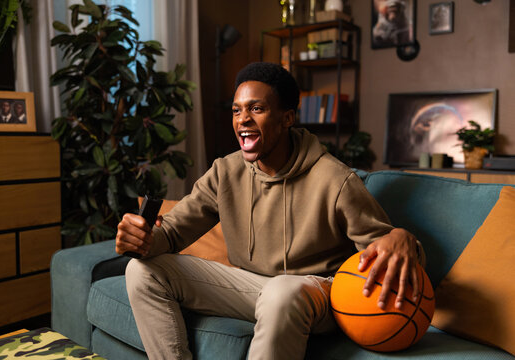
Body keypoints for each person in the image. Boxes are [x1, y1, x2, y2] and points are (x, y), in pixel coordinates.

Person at [117, 62, 425, 360]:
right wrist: (143, 239)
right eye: (237, 110)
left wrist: (404, 239)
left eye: (256, 108)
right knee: (142, 271)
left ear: (287, 118)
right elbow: (170, 233)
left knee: (282, 291)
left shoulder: (334, 179)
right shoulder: (225, 171)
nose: (243, 119)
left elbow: (389, 253)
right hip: (252, 288)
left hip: (316, 294)